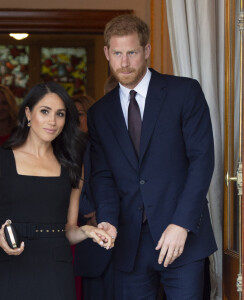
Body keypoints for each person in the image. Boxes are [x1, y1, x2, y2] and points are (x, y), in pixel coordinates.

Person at [87, 14, 217, 300]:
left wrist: (182, 223)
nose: (124, 63)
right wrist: (107, 219)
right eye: (117, 53)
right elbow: (103, 174)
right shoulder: (99, 113)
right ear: (107, 53)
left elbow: (202, 160)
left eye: (132, 52)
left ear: (146, 50)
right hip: (129, 243)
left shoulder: (185, 92)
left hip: (183, 238)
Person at [0, 82, 113, 300]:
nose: (52, 121)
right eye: (45, 111)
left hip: (56, 270)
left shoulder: (72, 164)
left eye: (60, 114)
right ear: (28, 113)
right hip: (8, 266)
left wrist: (87, 231)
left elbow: (68, 230)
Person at [73, 94, 114, 300]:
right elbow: (68, 185)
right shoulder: (66, 148)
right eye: (70, 115)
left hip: (113, 234)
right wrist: (90, 212)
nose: (74, 120)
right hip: (86, 235)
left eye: (79, 114)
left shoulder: (105, 144)